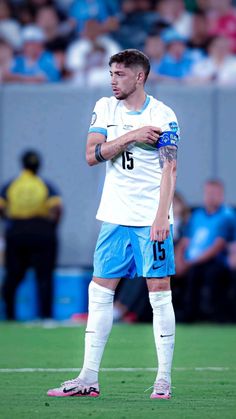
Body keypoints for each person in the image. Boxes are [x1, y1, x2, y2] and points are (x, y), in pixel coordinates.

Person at [47, 49, 180, 399]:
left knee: (159, 294)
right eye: (111, 73)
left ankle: (163, 380)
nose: (113, 79)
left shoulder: (163, 114)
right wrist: (130, 136)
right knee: (99, 292)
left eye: (120, 74)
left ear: (139, 77)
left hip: (150, 219)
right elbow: (92, 155)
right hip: (114, 218)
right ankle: (88, 378)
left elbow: (170, 169)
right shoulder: (105, 107)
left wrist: (161, 217)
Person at [0, 150, 62, 320]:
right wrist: (50, 227)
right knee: (44, 276)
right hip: (42, 230)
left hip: (17, 231)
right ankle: (45, 317)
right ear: (38, 166)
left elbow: (1, 207)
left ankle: (10, 316)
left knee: (13, 274)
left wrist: (9, 223)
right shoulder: (45, 185)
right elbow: (57, 209)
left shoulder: (11, 185)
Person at [175, 179, 235, 322]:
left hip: (214, 261)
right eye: (208, 193)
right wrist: (178, 260)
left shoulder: (227, 215)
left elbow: (218, 246)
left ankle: (207, 315)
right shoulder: (197, 215)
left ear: (221, 195)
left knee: (204, 273)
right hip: (190, 261)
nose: (211, 196)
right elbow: (184, 241)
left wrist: (190, 263)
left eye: (215, 193)